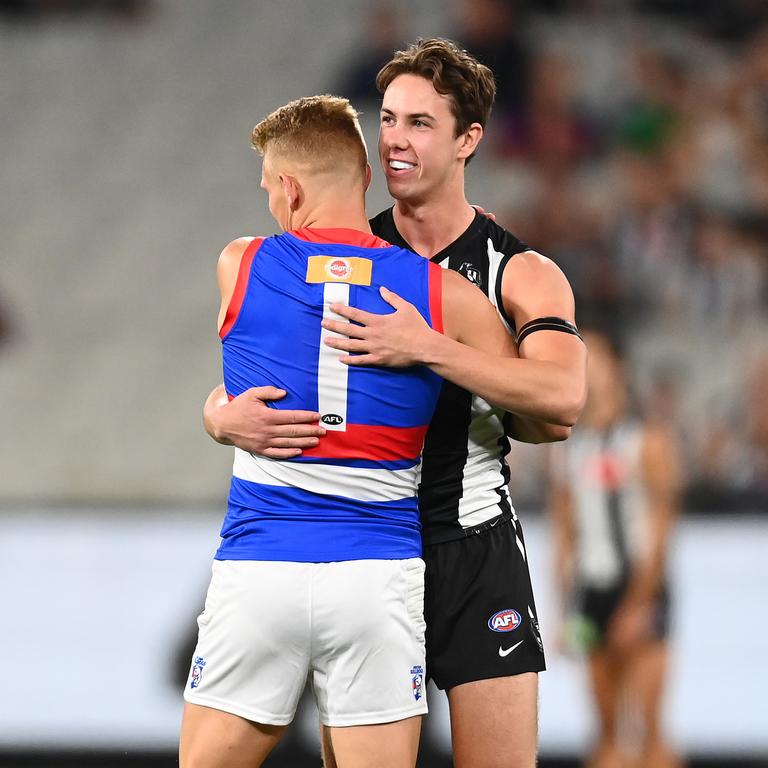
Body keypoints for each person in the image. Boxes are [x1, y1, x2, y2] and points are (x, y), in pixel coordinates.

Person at [204, 39, 588, 768]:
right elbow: (251, 367)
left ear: (468, 140)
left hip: (473, 544)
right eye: (387, 120)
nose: (395, 142)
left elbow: (562, 402)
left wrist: (433, 347)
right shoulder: (342, 246)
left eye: (419, 124)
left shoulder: (520, 271)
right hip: (367, 543)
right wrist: (217, 417)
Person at [549, 329, 681, 768]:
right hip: (593, 589)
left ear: (618, 369)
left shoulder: (647, 440)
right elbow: (564, 533)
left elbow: (662, 530)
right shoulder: (569, 446)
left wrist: (640, 603)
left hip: (643, 590)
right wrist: (564, 608)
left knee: (649, 731)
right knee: (604, 732)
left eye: (595, 358)